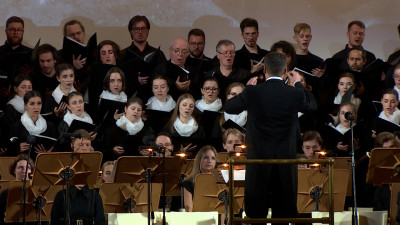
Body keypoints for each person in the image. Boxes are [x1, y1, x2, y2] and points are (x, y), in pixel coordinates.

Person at [224, 52, 317, 223]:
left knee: (256, 215)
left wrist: (247, 88)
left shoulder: (253, 92)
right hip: (285, 163)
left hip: (258, 163)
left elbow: (229, 107)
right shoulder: (294, 92)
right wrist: (298, 83)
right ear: (285, 70)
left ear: (264, 69)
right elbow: (312, 105)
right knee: (282, 214)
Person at [51, 129, 105, 225]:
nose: (84, 148)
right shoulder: (61, 194)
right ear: (72, 145)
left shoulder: (95, 196)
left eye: (87, 145)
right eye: (80, 145)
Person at [120, 15, 166, 99]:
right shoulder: (123, 54)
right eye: (136, 29)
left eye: (143, 28)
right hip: (130, 99)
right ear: (131, 31)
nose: (140, 32)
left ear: (148, 30)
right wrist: (135, 80)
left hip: (154, 99)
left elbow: (165, 77)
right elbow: (119, 79)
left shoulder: (158, 54)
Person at [8, 90, 58, 158]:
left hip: (43, 164)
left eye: (39, 103)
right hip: (23, 163)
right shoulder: (16, 126)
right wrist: (18, 149)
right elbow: (9, 152)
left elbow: (55, 149)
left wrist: (46, 154)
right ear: (25, 106)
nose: (36, 107)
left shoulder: (50, 126)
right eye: (32, 104)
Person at [0, 16, 32, 109]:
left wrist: (30, 74)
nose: (16, 33)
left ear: (23, 32)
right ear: (6, 31)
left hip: (24, 104)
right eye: (12, 30)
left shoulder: (30, 54)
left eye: (19, 30)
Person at [181, 145, 218, 212]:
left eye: (213, 158)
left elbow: (225, 209)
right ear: (199, 160)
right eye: (205, 157)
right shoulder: (188, 183)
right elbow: (189, 210)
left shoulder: (220, 182)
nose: (209, 161)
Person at [0, 154, 35, 225]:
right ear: (14, 171)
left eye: (27, 168)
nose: (24, 171)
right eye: (20, 167)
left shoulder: (36, 192)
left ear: (31, 172)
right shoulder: (5, 194)